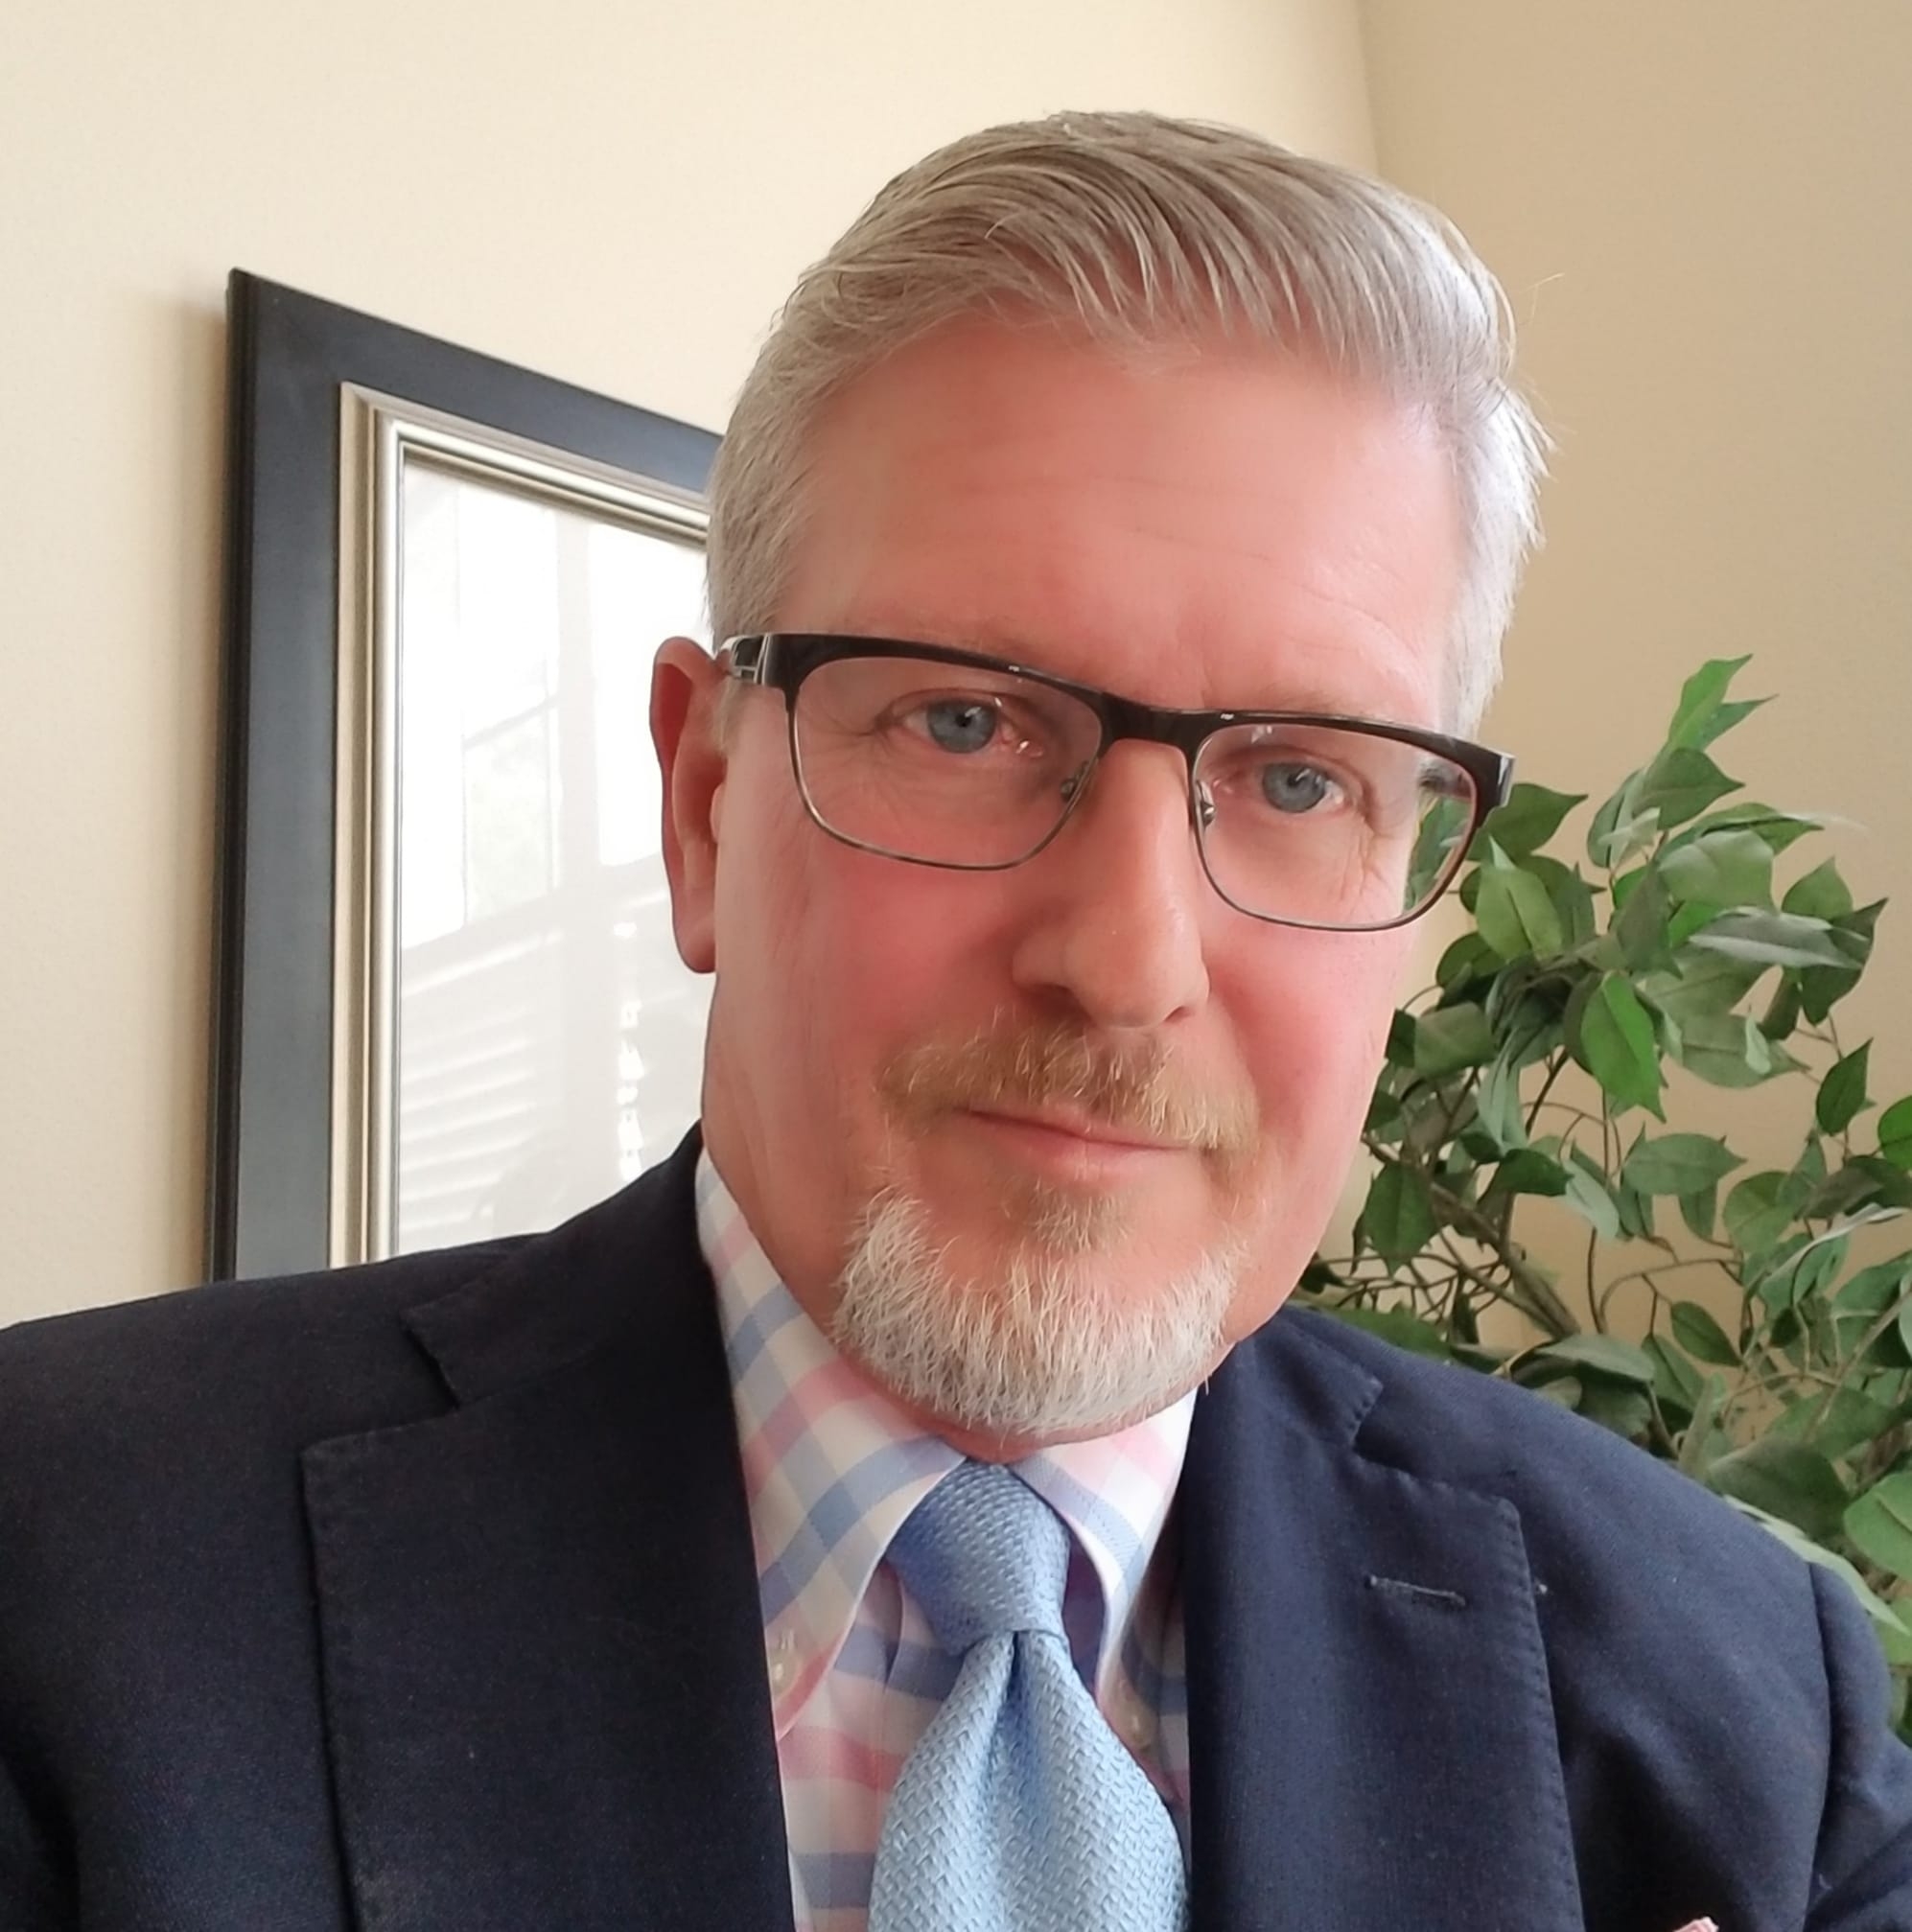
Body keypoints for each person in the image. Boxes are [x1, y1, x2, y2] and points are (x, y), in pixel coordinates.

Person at [0, 111, 1906, 1932]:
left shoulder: (1742, 1704)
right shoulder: (59, 1565)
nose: (1126, 960)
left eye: (1299, 778)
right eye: (965, 721)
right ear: (703, 807)